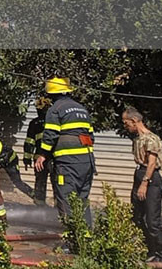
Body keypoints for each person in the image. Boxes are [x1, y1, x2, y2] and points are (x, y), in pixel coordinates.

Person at [34, 77, 95, 228]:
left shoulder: (55, 109)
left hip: (68, 164)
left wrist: (42, 155)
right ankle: (86, 236)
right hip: (87, 163)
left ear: (51, 95)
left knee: (66, 199)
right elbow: (91, 136)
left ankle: (71, 240)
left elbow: (50, 135)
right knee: (82, 200)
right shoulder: (82, 109)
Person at [121, 106, 162, 263]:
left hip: (150, 178)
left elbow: (152, 163)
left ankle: (161, 257)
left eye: (126, 123)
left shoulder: (151, 139)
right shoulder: (137, 140)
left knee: (153, 221)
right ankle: (149, 250)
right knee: (137, 217)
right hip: (139, 174)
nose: (125, 126)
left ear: (134, 121)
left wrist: (144, 183)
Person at [23, 98, 52, 206]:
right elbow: (29, 141)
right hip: (53, 158)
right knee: (56, 182)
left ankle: (40, 205)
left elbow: (29, 142)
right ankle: (59, 207)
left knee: (40, 182)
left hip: (40, 158)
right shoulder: (55, 121)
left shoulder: (34, 123)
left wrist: (27, 158)